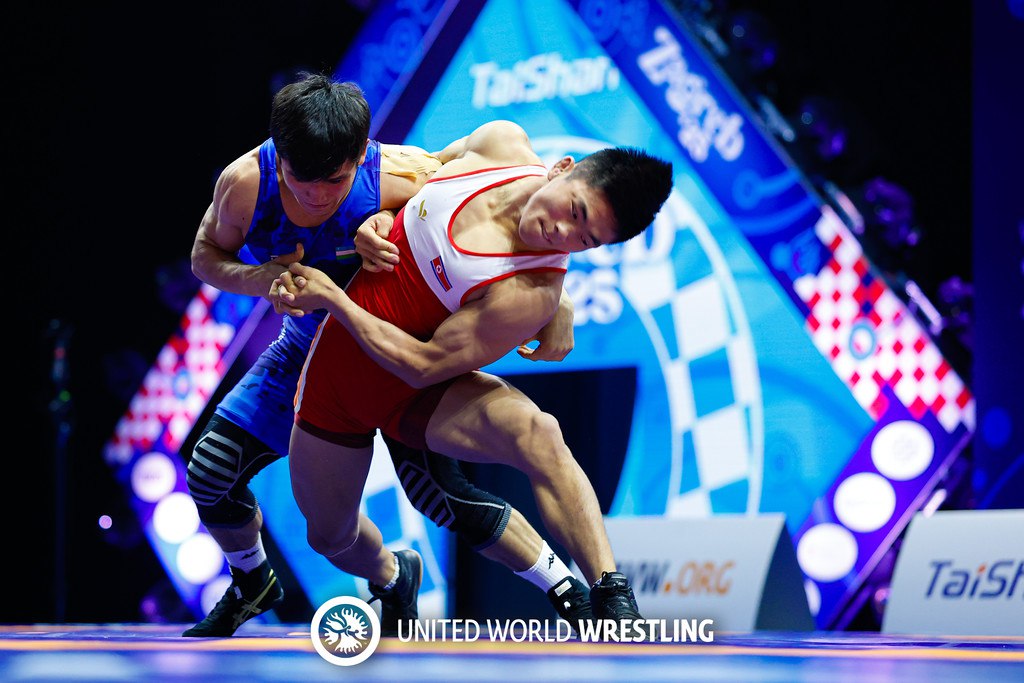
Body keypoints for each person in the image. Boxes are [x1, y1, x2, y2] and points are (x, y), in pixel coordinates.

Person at [185, 74, 592, 637]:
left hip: (402, 355)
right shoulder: (245, 183)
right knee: (212, 475)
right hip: (307, 352)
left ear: (360, 156)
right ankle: (305, 579)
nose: (315, 196)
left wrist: (558, 300)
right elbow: (205, 257)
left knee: (446, 500)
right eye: (299, 179)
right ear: (279, 155)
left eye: (334, 181)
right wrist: (262, 277)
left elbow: (514, 218)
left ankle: (569, 591)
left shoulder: (402, 173)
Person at [272, 119, 673, 626]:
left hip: (418, 388)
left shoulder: (531, 294)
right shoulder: (499, 143)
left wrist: (336, 301)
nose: (563, 234)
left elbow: (422, 366)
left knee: (539, 432)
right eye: (574, 211)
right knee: (328, 536)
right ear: (562, 169)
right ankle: (393, 574)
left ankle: (611, 594)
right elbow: (412, 175)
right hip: (340, 384)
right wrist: (381, 217)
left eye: (586, 240)